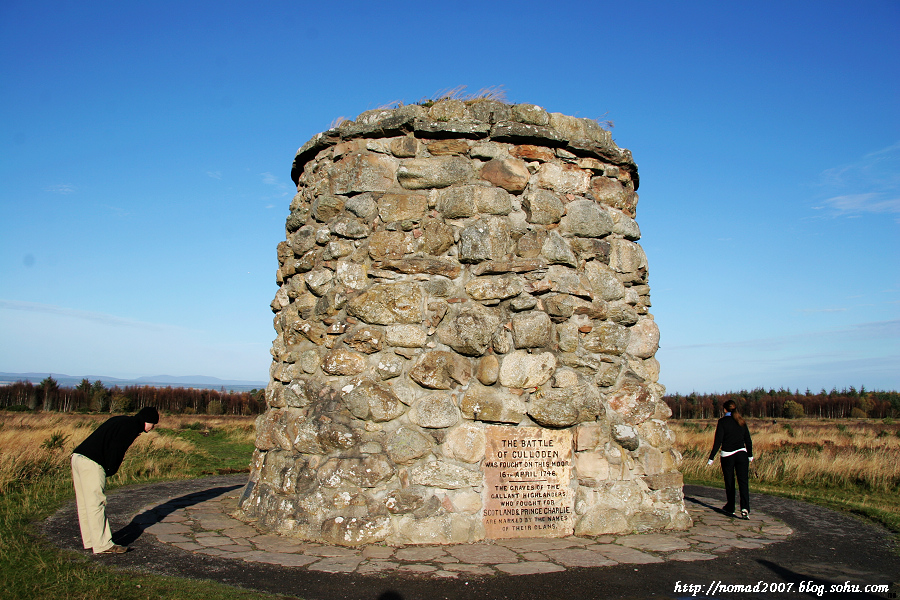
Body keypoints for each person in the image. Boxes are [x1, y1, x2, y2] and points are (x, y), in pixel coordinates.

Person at [70, 407, 160, 554]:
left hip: (78, 457)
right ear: (146, 420)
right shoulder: (131, 427)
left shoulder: (122, 420)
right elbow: (117, 449)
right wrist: (111, 469)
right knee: (96, 503)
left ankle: (91, 540)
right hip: (92, 462)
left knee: (85, 503)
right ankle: (103, 545)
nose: (153, 427)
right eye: (153, 424)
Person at [707, 399, 753, 519]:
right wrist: (750, 455)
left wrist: (711, 457)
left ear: (724, 409)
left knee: (730, 482)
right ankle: (745, 508)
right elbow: (748, 440)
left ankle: (731, 506)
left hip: (727, 455)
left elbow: (718, 441)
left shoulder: (722, 422)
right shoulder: (741, 421)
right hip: (742, 454)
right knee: (743, 482)